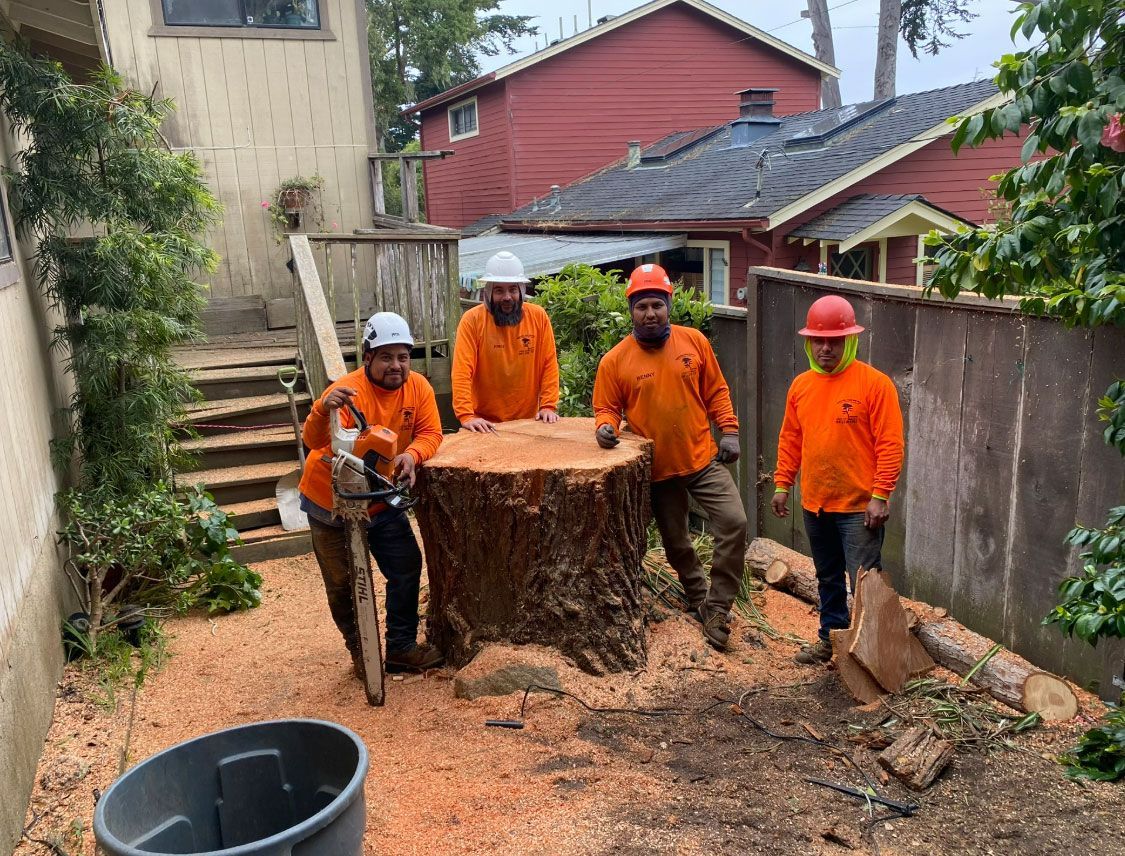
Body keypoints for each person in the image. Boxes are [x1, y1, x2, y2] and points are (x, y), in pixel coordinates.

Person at [593, 263, 746, 651]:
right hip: (658, 471)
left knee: (734, 522)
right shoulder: (615, 361)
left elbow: (717, 391)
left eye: (657, 305)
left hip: (701, 459)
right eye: (642, 306)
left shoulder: (694, 342)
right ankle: (698, 599)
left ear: (668, 305)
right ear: (631, 310)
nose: (650, 313)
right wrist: (605, 427)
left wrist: (728, 430)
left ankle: (718, 606)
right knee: (677, 543)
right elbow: (605, 408)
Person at [298, 312, 444, 675]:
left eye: (403, 357)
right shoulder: (347, 393)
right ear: (367, 357)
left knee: (406, 566)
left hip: (381, 498)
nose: (396, 365)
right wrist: (321, 409)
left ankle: (400, 647)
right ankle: (360, 651)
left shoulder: (419, 388)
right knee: (341, 582)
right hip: (329, 501)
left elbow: (431, 434)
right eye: (386, 357)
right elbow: (313, 441)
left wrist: (411, 455)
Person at [771, 294, 905, 665]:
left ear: (851, 340)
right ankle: (831, 639)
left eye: (835, 340)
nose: (826, 347)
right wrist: (783, 483)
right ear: (809, 341)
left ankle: (873, 654)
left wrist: (881, 494)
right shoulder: (801, 386)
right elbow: (791, 438)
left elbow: (890, 443)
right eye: (819, 340)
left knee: (864, 583)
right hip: (816, 503)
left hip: (858, 507)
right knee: (828, 577)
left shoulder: (874, 385)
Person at [451, 251, 560, 432]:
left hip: (529, 421)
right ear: (488, 292)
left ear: (521, 291)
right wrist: (466, 415)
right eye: (499, 290)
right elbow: (462, 371)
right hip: (484, 423)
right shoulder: (472, 320)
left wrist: (548, 406)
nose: (507, 296)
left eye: (512, 289)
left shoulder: (538, 317)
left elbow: (548, 364)